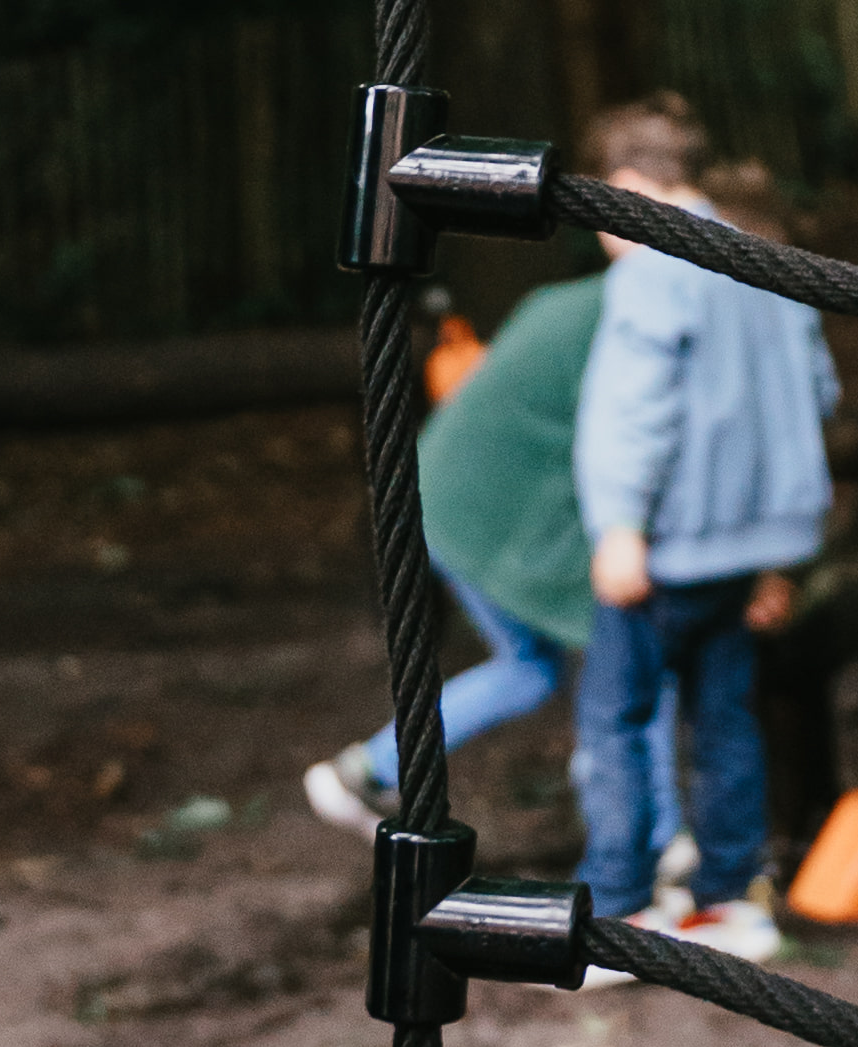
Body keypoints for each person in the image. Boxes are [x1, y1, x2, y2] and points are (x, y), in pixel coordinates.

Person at [569, 102, 831, 961]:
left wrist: (619, 526)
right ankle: (730, 901)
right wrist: (777, 553)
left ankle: (617, 909)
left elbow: (633, 412)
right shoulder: (761, 256)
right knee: (725, 723)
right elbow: (813, 396)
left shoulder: (654, 268)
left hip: (665, 549)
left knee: (615, 721)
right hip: (748, 552)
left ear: (627, 188)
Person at [303, 272, 612, 835]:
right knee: (610, 648)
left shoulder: (561, 303)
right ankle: (646, 823)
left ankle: (368, 770)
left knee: (533, 667)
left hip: (444, 495)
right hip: (476, 512)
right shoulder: (622, 316)